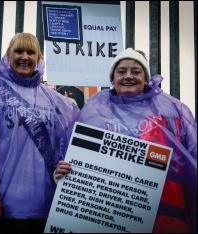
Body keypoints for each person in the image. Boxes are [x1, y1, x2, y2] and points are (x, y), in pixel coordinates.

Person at [54, 48, 197, 233]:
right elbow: (71, 155)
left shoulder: (170, 110)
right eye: (121, 71)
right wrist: (63, 173)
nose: (128, 76)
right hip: (108, 214)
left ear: (146, 77)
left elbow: (191, 156)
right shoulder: (94, 110)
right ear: (112, 79)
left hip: (164, 214)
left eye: (136, 71)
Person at [0, 32, 81, 233]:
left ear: (38, 58)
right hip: (4, 205)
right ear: (8, 55)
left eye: (31, 52)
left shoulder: (57, 100)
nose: (24, 57)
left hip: (49, 205)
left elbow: (72, 145)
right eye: (18, 51)